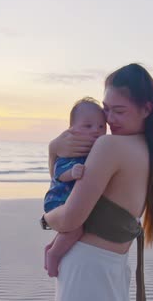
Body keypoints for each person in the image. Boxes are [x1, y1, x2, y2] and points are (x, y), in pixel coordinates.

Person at [41, 63, 153, 301]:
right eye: (106, 109)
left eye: (119, 111)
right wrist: (53, 152)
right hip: (115, 266)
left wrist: (45, 218)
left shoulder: (109, 146)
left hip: (87, 268)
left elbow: (68, 217)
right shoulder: (150, 150)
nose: (109, 119)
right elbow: (68, 190)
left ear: (146, 108)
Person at [43, 97, 107, 277]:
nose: (96, 131)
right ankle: (54, 254)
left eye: (101, 126)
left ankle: (51, 247)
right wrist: (73, 172)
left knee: (71, 229)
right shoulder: (70, 151)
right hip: (58, 201)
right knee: (76, 228)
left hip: (72, 202)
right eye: (88, 126)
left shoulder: (96, 150)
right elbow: (58, 172)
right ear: (71, 130)